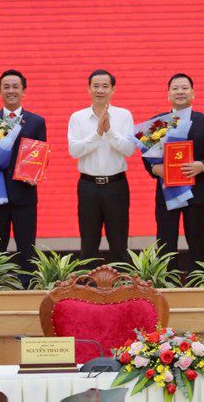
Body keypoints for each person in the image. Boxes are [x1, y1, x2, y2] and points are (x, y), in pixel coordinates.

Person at [143, 73, 204, 273]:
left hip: (196, 193)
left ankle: (198, 286)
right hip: (166, 192)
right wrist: (155, 169)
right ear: (168, 94)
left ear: (193, 93)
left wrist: (202, 165)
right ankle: (167, 287)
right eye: (175, 88)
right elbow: (146, 156)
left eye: (185, 88)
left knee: (197, 242)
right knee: (165, 243)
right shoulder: (157, 122)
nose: (180, 92)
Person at [0, 70, 46, 276]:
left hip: (24, 194)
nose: (11, 91)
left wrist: (36, 173)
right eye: (6, 87)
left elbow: (40, 153)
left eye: (15, 86)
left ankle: (27, 290)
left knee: (27, 249)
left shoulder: (36, 121)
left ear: (24, 91)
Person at [68, 69, 135, 263]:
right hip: (88, 186)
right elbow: (74, 151)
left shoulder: (124, 115)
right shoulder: (77, 117)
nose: (100, 90)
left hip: (117, 185)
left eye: (105, 86)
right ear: (88, 89)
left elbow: (129, 149)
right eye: (96, 86)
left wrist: (109, 131)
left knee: (119, 242)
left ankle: (122, 289)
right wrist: (97, 134)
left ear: (113, 89)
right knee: (88, 243)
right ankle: (87, 289)